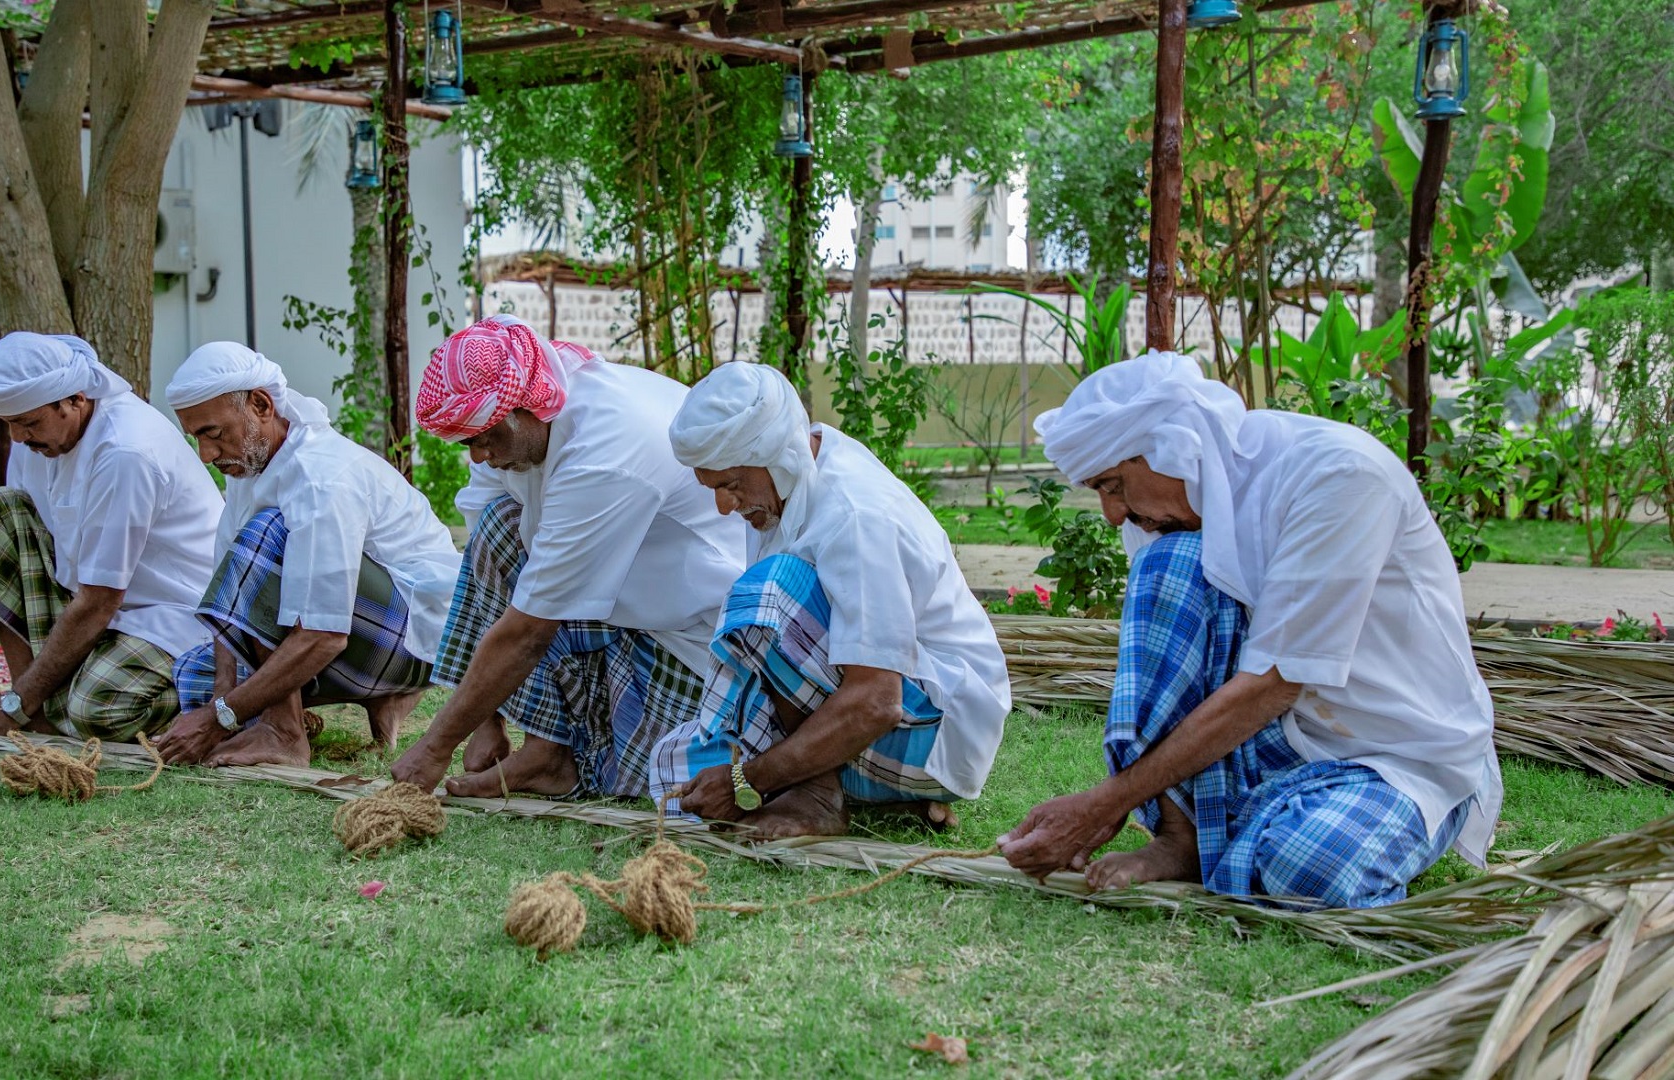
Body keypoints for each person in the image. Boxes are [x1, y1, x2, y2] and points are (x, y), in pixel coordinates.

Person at [999, 351, 1503, 908]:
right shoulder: (1169, 509)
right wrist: (1115, 802)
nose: (1114, 514)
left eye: (1114, 485)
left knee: (1307, 867)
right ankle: (1182, 838)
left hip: (1397, 753)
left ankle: (1277, 834)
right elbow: (1188, 675)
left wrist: (1104, 804)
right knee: (1169, 566)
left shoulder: (1337, 476)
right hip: (1279, 737)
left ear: (1178, 447)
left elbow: (1272, 683)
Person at [389, 316, 748, 800]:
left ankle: (569, 753)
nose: (477, 455)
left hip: (697, 633)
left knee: (639, 782)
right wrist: (485, 722)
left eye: (483, 437)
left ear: (528, 408)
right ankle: (546, 752)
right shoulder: (518, 436)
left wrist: (434, 748)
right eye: (465, 441)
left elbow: (528, 632)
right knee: (498, 530)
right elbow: (489, 570)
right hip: (622, 608)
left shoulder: (603, 450)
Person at [650, 362, 1010, 838]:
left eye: (730, 485)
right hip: (880, 720)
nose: (723, 506)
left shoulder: (854, 514)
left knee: (768, 592)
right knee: (670, 767)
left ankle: (818, 795)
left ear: (772, 456)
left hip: (933, 729)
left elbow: (878, 701)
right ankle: (871, 793)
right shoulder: (793, 477)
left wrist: (746, 780)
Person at [152, 343, 463, 768]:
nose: (206, 455)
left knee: (268, 531)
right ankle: (378, 699)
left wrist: (221, 719)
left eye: (213, 433)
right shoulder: (251, 467)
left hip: (416, 637)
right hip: (358, 637)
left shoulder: (320, 478)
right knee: (193, 677)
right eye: (197, 439)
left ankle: (284, 732)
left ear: (261, 404)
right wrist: (221, 697)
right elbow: (232, 597)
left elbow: (324, 634)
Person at [0, 332, 221, 741]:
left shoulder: (125, 453)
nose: (18, 438)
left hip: (179, 614)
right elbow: (12, 527)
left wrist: (13, 704)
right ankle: (37, 710)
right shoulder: (37, 440)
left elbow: (100, 600)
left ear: (76, 400)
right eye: (9, 424)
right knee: (2, 505)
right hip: (95, 601)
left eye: (28, 423)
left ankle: (223, 700)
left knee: (97, 710)